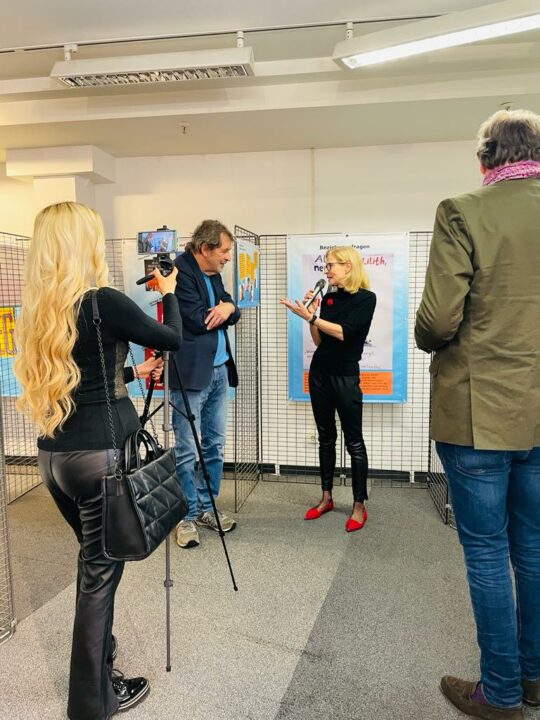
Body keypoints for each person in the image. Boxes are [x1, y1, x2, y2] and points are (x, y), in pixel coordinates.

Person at [13, 201, 182, 720]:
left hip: (56, 460)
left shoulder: (38, 310)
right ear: (82, 244)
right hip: (101, 460)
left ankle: (102, 659)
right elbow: (173, 338)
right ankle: (92, 700)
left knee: (94, 563)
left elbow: (83, 380)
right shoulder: (101, 301)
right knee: (99, 577)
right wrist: (169, 293)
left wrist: (131, 374)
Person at [415, 109, 540, 720]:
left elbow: (438, 320)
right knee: (535, 549)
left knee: (488, 553)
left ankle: (501, 694)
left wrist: (426, 337)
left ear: (485, 157)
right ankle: (535, 678)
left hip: (477, 410)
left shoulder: (462, 211)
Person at [280, 246, 376, 531]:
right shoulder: (330, 297)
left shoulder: (366, 299)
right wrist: (312, 315)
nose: (326, 270)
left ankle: (359, 505)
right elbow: (320, 340)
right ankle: (326, 498)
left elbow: (346, 333)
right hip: (319, 374)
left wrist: (311, 317)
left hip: (345, 376)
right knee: (326, 438)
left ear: (348, 266)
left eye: (330, 265)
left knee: (354, 442)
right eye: (325, 266)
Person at [170, 219, 240, 549]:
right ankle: (185, 515)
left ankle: (206, 507)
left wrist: (228, 306)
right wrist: (224, 310)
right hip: (191, 374)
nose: (228, 257)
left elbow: (231, 311)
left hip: (219, 371)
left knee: (214, 445)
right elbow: (198, 321)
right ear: (204, 248)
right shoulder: (179, 273)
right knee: (187, 448)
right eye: (223, 251)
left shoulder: (213, 273)